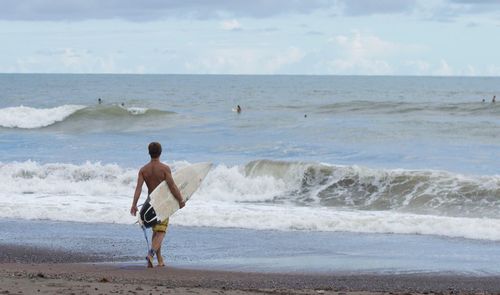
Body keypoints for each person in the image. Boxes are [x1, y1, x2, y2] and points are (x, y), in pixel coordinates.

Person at [130, 142, 184, 268]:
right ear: (160, 152)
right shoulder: (164, 169)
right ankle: (151, 254)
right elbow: (172, 186)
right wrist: (180, 200)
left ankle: (160, 260)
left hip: (150, 204)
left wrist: (134, 204)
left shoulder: (143, 170)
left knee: (156, 231)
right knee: (161, 232)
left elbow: (138, 188)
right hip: (162, 203)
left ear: (149, 153)